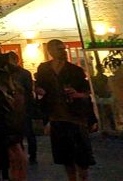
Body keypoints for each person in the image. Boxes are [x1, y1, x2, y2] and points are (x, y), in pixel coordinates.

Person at [35, 39, 97, 181]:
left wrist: (77, 95)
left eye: (64, 49)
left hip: (75, 117)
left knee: (82, 155)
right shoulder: (44, 69)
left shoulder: (75, 71)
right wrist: (40, 91)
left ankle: (83, 178)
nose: (63, 52)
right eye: (59, 49)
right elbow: (39, 86)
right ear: (50, 51)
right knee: (65, 156)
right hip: (57, 117)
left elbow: (87, 93)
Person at [6, 51, 38, 165]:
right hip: (15, 107)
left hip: (23, 106)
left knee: (28, 132)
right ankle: (24, 154)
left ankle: (31, 155)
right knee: (22, 132)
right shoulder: (13, 73)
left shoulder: (23, 73)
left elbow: (29, 90)